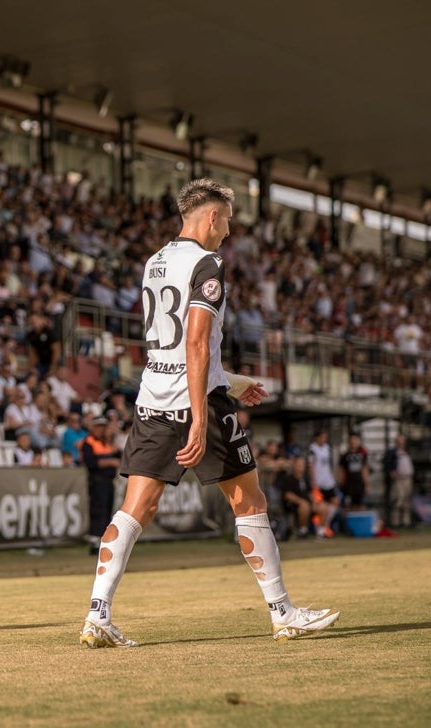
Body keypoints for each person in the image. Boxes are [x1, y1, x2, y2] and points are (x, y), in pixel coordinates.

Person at [79, 179, 338, 649]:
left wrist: (232, 381)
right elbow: (195, 342)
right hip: (196, 402)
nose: (228, 231)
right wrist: (202, 415)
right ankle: (283, 613)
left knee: (135, 508)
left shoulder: (153, 263)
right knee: (250, 503)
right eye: (228, 221)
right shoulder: (208, 263)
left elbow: (173, 344)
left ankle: (97, 613)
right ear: (213, 217)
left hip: (153, 399)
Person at [79, 416, 120, 548]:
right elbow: (91, 462)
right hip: (97, 482)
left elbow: (118, 455)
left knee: (107, 512)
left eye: (103, 427)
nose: (101, 430)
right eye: (99, 427)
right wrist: (110, 462)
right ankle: (95, 543)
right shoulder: (88, 442)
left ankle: (105, 542)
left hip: (109, 481)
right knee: (98, 512)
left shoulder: (106, 442)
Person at [338, 433, 370, 511]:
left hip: (359, 483)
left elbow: (364, 469)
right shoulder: (345, 455)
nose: (353, 442)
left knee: (360, 504)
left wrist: (366, 484)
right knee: (349, 505)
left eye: (355, 440)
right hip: (349, 483)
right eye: (352, 440)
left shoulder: (362, 454)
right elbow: (341, 469)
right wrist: (340, 483)